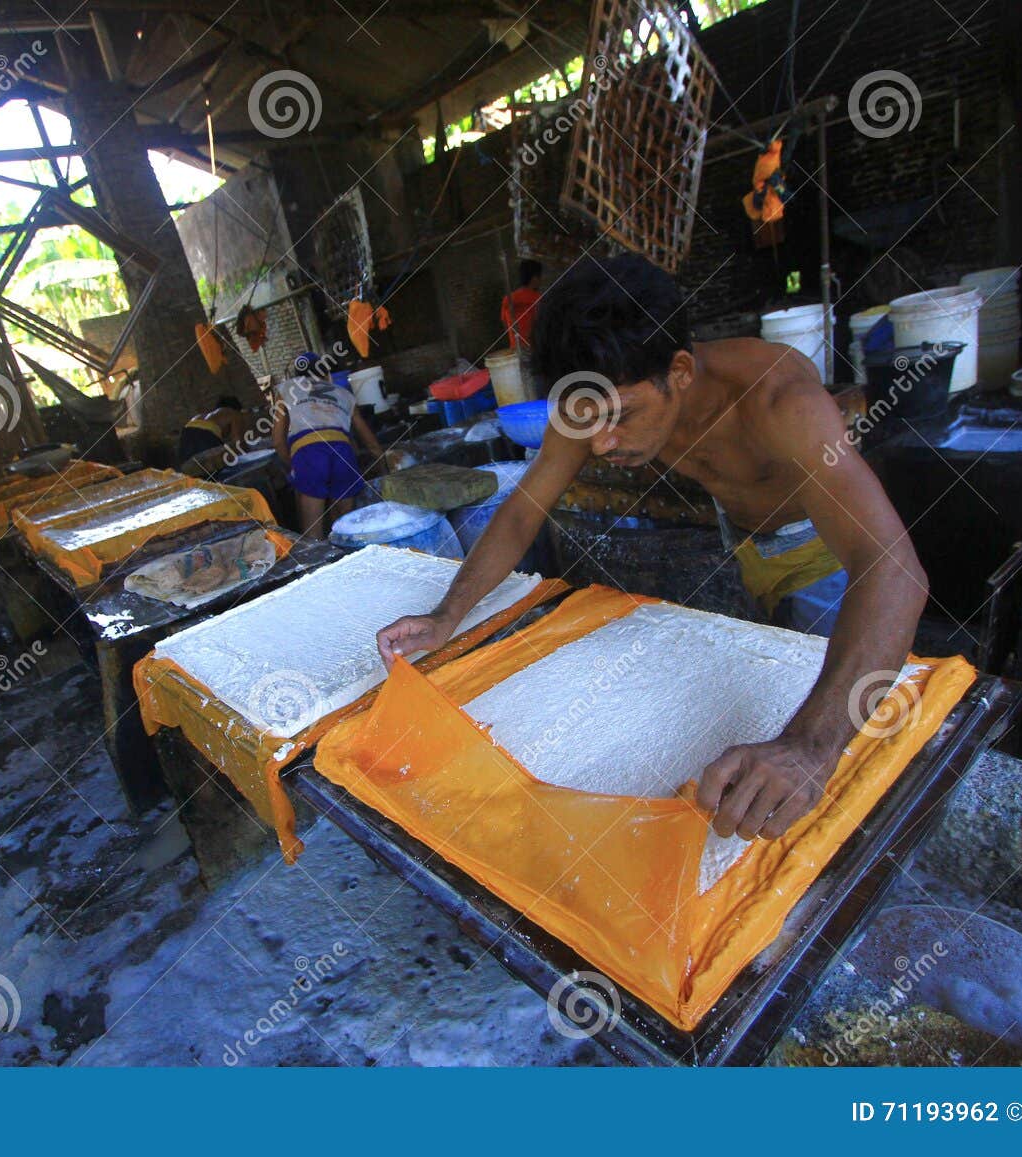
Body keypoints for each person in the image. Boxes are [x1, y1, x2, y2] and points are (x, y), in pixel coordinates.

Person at [376, 255, 927, 842]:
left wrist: (809, 748)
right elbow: (522, 511)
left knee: (837, 750)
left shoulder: (781, 403)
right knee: (773, 671)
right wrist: (446, 616)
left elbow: (893, 571)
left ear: (681, 370)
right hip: (742, 537)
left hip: (822, 551)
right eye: (586, 419)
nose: (601, 442)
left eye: (622, 416)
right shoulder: (595, 398)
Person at [273, 353, 385, 539]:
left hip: (309, 453)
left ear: (297, 375)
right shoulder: (343, 393)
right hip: (343, 452)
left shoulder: (286, 389)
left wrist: (293, 466)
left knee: (313, 536)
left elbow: (277, 440)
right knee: (346, 533)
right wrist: (382, 463)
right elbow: (369, 439)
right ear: (327, 375)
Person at [176, 396, 249, 468]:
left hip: (185, 441)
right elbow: (239, 443)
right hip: (205, 437)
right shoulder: (234, 414)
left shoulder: (202, 417)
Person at [500, 259, 544, 349]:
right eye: (540, 277)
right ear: (535, 279)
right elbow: (542, 327)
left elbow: (505, 326)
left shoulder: (508, 299)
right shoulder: (538, 299)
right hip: (535, 349)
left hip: (515, 351)